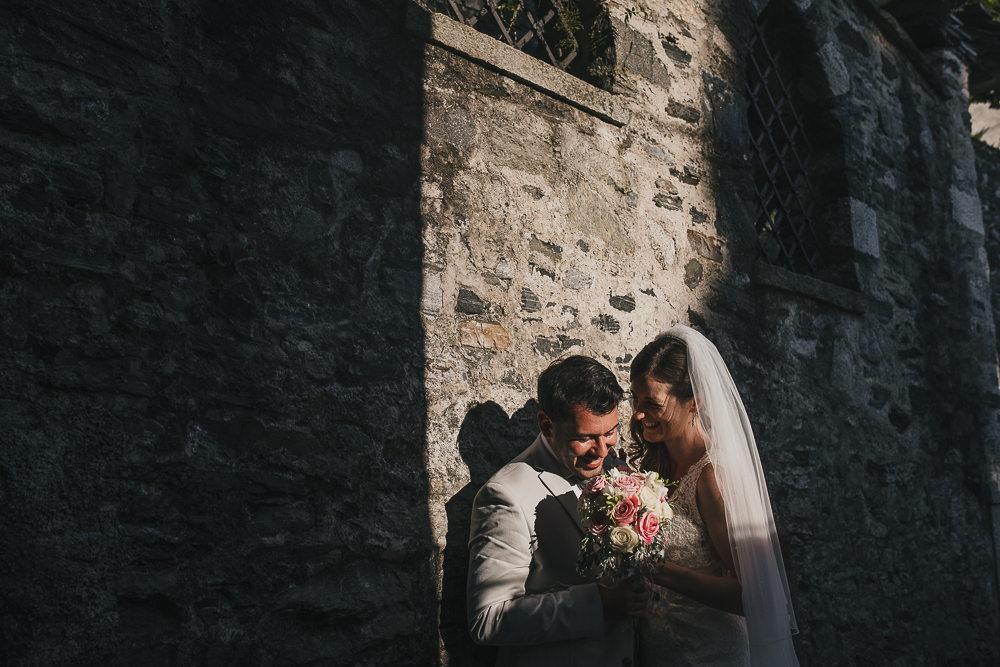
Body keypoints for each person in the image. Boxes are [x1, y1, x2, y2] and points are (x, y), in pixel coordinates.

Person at [628, 326, 799, 667]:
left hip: (708, 651)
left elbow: (756, 596)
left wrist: (660, 571)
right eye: (634, 398)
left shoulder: (712, 476)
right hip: (657, 647)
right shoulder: (654, 464)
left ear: (695, 403)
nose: (637, 413)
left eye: (652, 403)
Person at [467, 355, 650, 667]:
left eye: (610, 432)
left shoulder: (617, 470)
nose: (602, 451)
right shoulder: (505, 496)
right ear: (546, 426)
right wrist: (598, 605)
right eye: (585, 438)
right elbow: (487, 619)